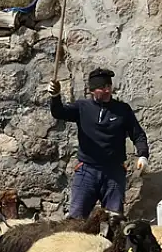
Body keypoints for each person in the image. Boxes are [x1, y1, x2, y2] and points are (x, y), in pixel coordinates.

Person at [47, 67, 149, 219]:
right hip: (87, 171)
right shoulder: (82, 107)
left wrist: (143, 155)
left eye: (109, 86)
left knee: (113, 219)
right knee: (76, 218)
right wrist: (55, 96)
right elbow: (59, 112)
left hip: (114, 172)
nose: (107, 90)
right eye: (102, 88)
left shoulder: (122, 110)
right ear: (92, 90)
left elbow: (138, 135)